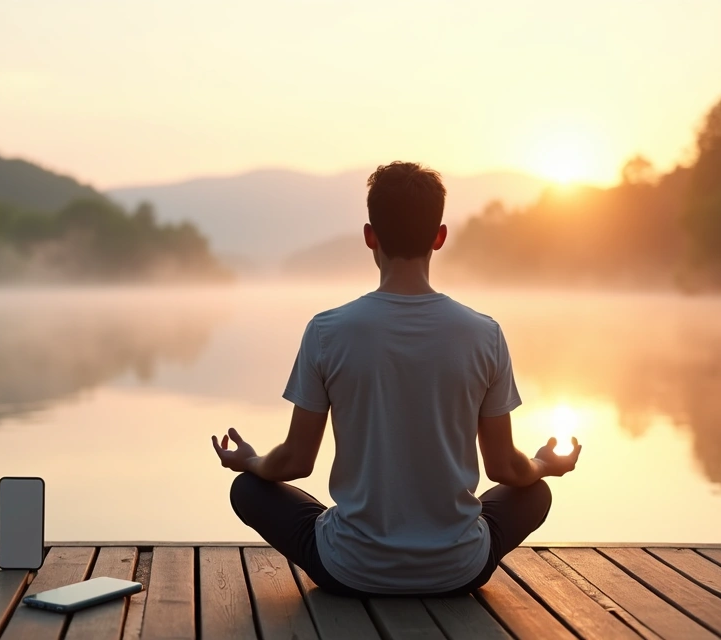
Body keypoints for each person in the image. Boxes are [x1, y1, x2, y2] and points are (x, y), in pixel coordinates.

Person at [211, 161, 582, 597]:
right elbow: (504, 467)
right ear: (439, 236)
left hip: (348, 571)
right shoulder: (485, 334)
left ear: (371, 236)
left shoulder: (327, 331)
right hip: (459, 572)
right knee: (535, 493)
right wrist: (543, 465)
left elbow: (295, 462)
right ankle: (447, 543)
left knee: (248, 490)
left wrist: (251, 462)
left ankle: (354, 541)